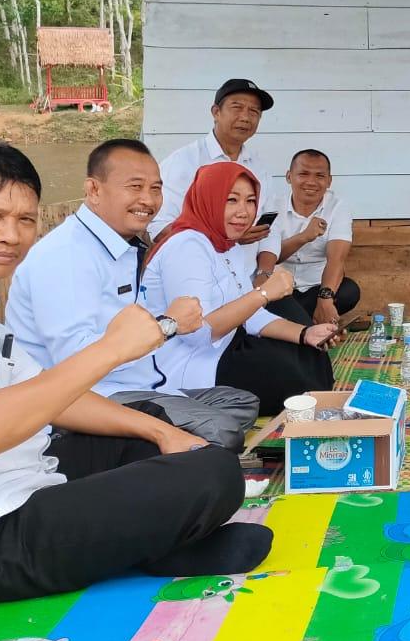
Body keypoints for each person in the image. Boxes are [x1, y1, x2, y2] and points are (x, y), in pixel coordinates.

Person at [0, 139, 271, 610]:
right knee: (213, 475)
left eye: (24, 220)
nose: (10, 235)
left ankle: (146, 542)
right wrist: (112, 348)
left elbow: (51, 393)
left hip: (15, 478)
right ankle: (149, 546)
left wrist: (161, 432)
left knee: (170, 442)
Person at [7, 139, 259, 450]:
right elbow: (73, 360)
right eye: (135, 187)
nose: (148, 200)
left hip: (143, 384)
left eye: (155, 189)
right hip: (89, 400)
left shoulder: (123, 246)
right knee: (222, 429)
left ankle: (173, 446)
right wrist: (167, 325)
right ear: (94, 190)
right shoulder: (68, 253)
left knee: (241, 401)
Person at [144, 161, 338, 415]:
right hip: (191, 364)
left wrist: (305, 333)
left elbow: (252, 315)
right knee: (289, 375)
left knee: (310, 355)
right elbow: (195, 333)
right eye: (231, 200)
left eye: (250, 201)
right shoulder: (187, 246)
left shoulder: (227, 244)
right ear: (208, 199)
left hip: (225, 344)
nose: (244, 211)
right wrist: (264, 293)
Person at [151, 78, 275, 265]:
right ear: (216, 112)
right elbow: (158, 228)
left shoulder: (259, 168)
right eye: (237, 107)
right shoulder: (183, 162)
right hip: (198, 277)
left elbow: (271, 231)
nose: (245, 117)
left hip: (248, 282)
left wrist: (263, 274)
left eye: (254, 111)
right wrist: (228, 237)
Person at [255, 149, 360, 326]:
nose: (311, 182)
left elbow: (337, 259)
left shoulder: (338, 206)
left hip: (317, 287)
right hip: (281, 287)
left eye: (320, 176)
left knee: (350, 291)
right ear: (289, 177)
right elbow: (270, 258)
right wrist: (303, 237)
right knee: (270, 298)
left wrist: (325, 300)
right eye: (303, 174)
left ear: (329, 181)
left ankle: (297, 321)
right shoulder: (272, 205)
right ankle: (305, 324)